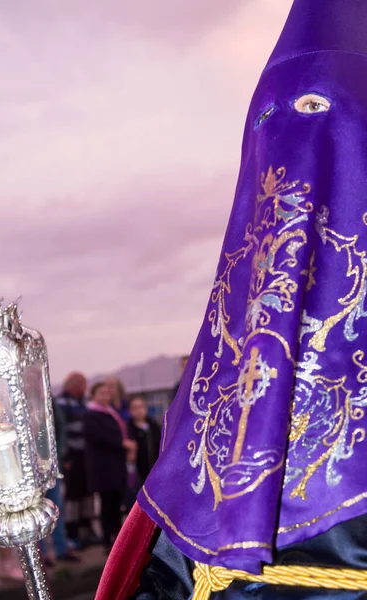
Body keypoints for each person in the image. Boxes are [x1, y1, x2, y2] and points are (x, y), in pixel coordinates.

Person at [95, 0, 367, 598]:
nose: (298, 137)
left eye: (327, 111)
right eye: (271, 116)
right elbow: (167, 565)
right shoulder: (211, 380)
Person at [84, 382, 137, 550]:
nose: (105, 397)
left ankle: (117, 536)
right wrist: (122, 443)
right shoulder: (91, 415)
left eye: (107, 394)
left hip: (116, 465)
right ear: (93, 395)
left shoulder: (111, 413)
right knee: (107, 504)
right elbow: (99, 437)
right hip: (103, 468)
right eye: (101, 394)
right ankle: (108, 539)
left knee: (116, 502)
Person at [56, 372, 97, 548]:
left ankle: (86, 530)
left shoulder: (83, 403)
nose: (85, 388)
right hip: (71, 456)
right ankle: (72, 533)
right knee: (72, 495)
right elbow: (61, 430)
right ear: (74, 385)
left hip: (85, 455)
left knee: (86, 493)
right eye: (83, 384)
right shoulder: (61, 403)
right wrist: (65, 456)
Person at [40, 399, 80, 566]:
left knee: (56, 508)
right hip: (28, 469)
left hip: (50, 463)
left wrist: (59, 454)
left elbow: (60, 428)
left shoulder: (46, 397)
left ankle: (61, 549)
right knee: (33, 513)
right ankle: (41, 555)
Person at [127, 396, 161, 484]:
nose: (139, 411)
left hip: (156, 470)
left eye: (141, 407)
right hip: (138, 474)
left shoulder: (154, 426)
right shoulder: (128, 429)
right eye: (135, 408)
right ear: (130, 411)